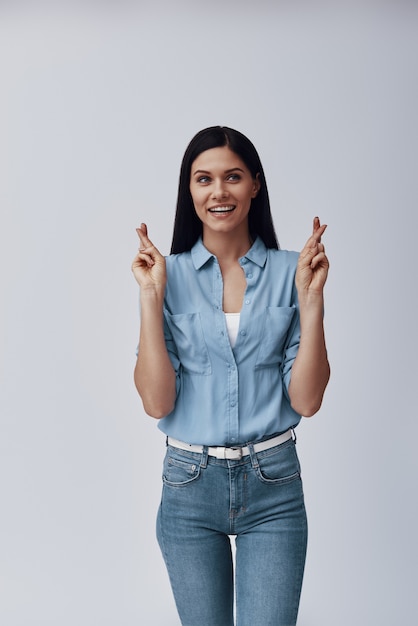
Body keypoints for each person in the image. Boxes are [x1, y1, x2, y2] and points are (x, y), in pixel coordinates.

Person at [131, 126, 330, 626]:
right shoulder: (166, 275)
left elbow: (306, 401)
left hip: (274, 484)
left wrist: (311, 302)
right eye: (204, 179)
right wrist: (150, 298)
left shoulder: (293, 271)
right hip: (189, 485)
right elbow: (157, 403)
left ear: (255, 185)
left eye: (232, 177)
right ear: (190, 189)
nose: (218, 192)